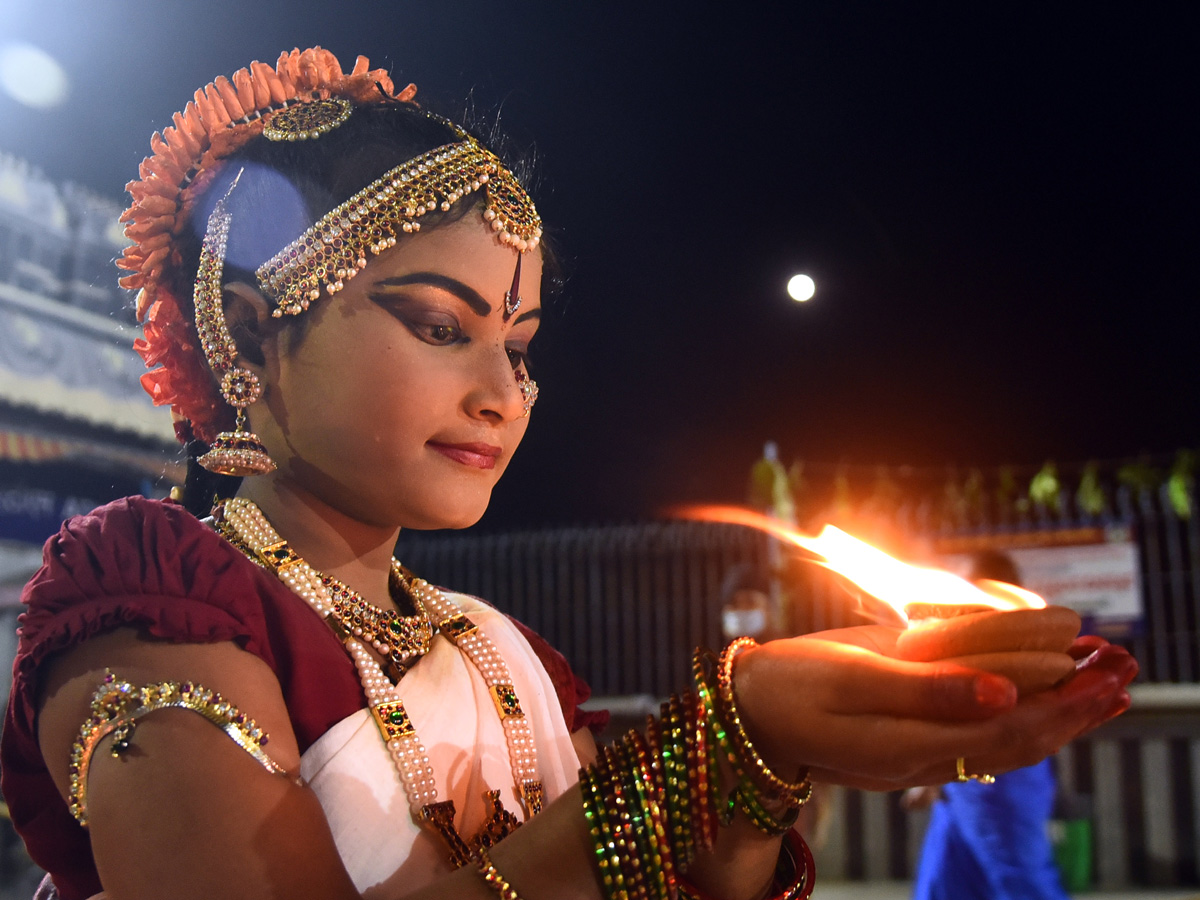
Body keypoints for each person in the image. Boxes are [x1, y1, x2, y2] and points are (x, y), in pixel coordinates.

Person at [0, 48, 1135, 900]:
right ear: (248, 338)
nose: (505, 392)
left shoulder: (502, 653)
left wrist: (762, 764)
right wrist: (720, 742)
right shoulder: (150, 609)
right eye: (442, 325)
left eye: (522, 345)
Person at [909, 551, 1071, 900]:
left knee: (1021, 880)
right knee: (944, 884)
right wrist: (936, 776)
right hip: (959, 786)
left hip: (1004, 781)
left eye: (965, 586)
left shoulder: (1023, 648)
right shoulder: (965, 642)